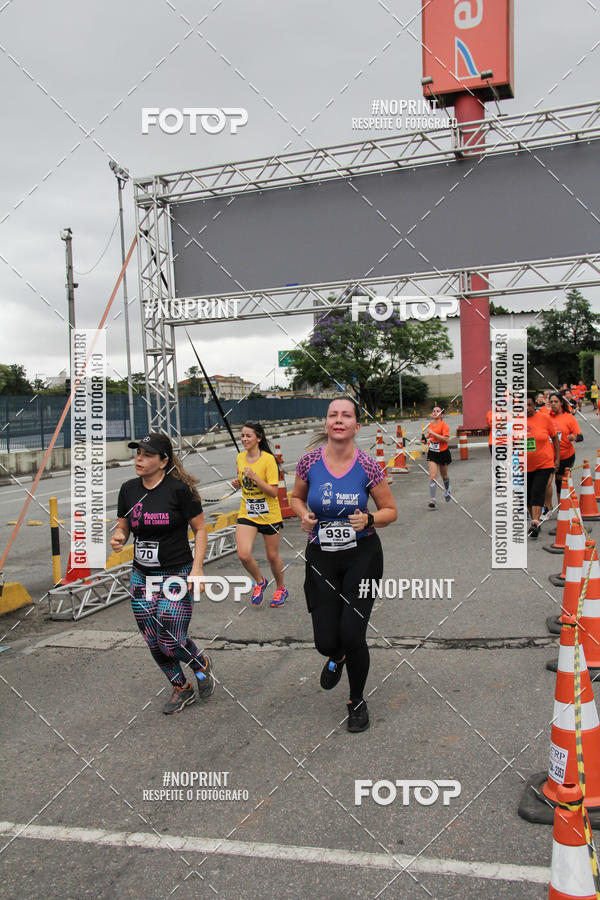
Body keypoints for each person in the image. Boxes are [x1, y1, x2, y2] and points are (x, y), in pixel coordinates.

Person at [290, 398, 397, 733]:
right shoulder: (309, 462)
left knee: (352, 633)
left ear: (356, 426)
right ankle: (336, 657)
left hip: (362, 556)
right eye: (333, 415)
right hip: (321, 555)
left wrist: (369, 519)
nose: (338, 420)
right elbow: (294, 498)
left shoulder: (367, 465)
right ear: (326, 424)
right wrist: (304, 515)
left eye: (346, 415)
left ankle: (357, 700)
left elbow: (391, 510)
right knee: (325, 641)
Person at [111, 433, 215, 715]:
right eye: (137, 454)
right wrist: (119, 536)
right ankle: (181, 687)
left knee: (169, 638)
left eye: (146, 455)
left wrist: (197, 568)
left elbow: (201, 530)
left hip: (176, 573)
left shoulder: (179, 490)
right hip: (142, 576)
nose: (139, 459)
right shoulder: (128, 489)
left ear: (163, 461)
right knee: (152, 638)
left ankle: (199, 662)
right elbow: (124, 526)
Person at [232, 422, 288, 608]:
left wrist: (255, 477)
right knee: (243, 554)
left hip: (269, 515)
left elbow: (273, 492)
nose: (244, 439)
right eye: (242, 436)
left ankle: (281, 588)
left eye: (248, 436)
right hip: (247, 513)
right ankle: (260, 581)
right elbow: (244, 481)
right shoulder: (240, 457)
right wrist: (238, 482)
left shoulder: (268, 460)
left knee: (272, 556)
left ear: (259, 438)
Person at [526, 396, 560, 539]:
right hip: (525, 465)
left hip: (544, 463)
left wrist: (557, 458)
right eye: (524, 406)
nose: (527, 408)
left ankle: (535, 523)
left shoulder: (544, 419)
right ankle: (535, 519)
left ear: (535, 405)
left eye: (529, 405)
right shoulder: (516, 422)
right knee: (528, 495)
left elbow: (555, 438)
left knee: (537, 491)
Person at [543, 391, 583, 512]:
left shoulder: (568, 417)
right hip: (548, 457)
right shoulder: (545, 417)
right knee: (546, 483)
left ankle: (562, 507)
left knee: (560, 483)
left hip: (566, 456)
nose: (553, 404)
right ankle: (548, 506)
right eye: (551, 402)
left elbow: (580, 437)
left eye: (556, 402)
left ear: (561, 403)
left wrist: (574, 437)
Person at [423, 406, 452, 508]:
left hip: (443, 453)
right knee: (433, 476)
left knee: (444, 476)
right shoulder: (430, 425)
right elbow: (428, 436)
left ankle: (447, 490)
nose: (435, 412)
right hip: (432, 453)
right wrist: (423, 439)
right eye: (433, 411)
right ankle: (433, 500)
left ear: (442, 415)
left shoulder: (444, 425)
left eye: (438, 411)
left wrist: (433, 433)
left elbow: (446, 439)